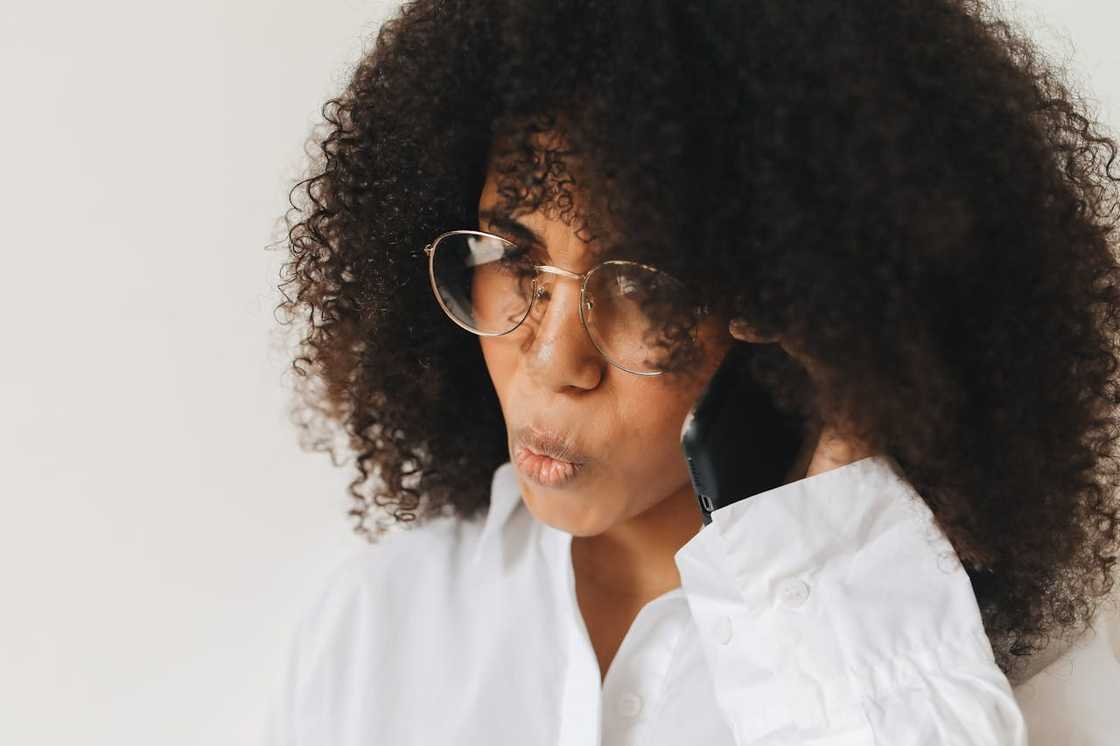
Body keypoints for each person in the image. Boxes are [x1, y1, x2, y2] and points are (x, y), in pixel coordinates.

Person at [266, 0, 1120, 743]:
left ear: (789, 305)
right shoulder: (380, 627)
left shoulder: (969, 655)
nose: (556, 359)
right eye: (511, 258)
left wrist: (831, 534)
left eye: (641, 285)